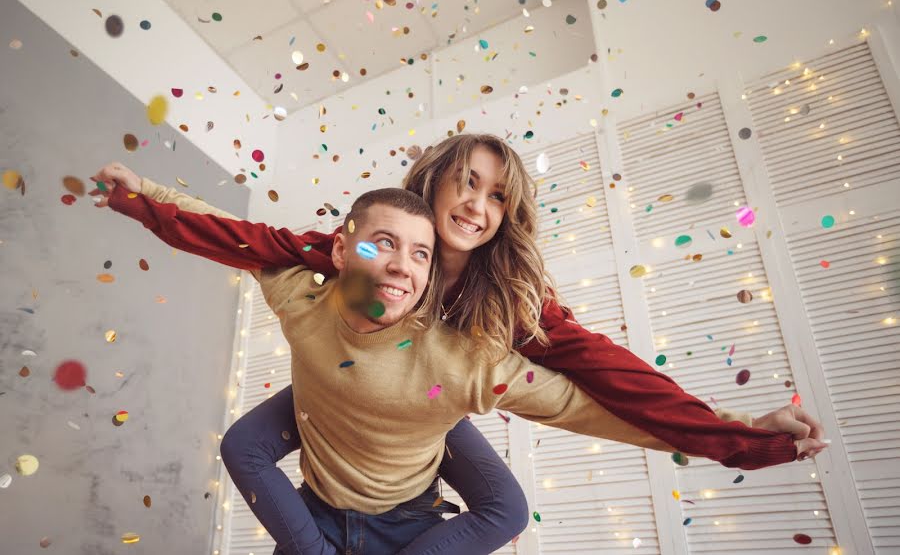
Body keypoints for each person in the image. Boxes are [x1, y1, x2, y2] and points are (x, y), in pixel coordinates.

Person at [92, 133, 826, 553]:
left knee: (469, 461)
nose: (476, 205)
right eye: (467, 183)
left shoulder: (507, 309)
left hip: (432, 395)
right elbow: (248, 240)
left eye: (496, 195)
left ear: (508, 214)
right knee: (300, 411)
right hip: (348, 381)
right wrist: (138, 199)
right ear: (434, 181)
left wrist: (738, 435)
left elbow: (611, 382)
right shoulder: (358, 250)